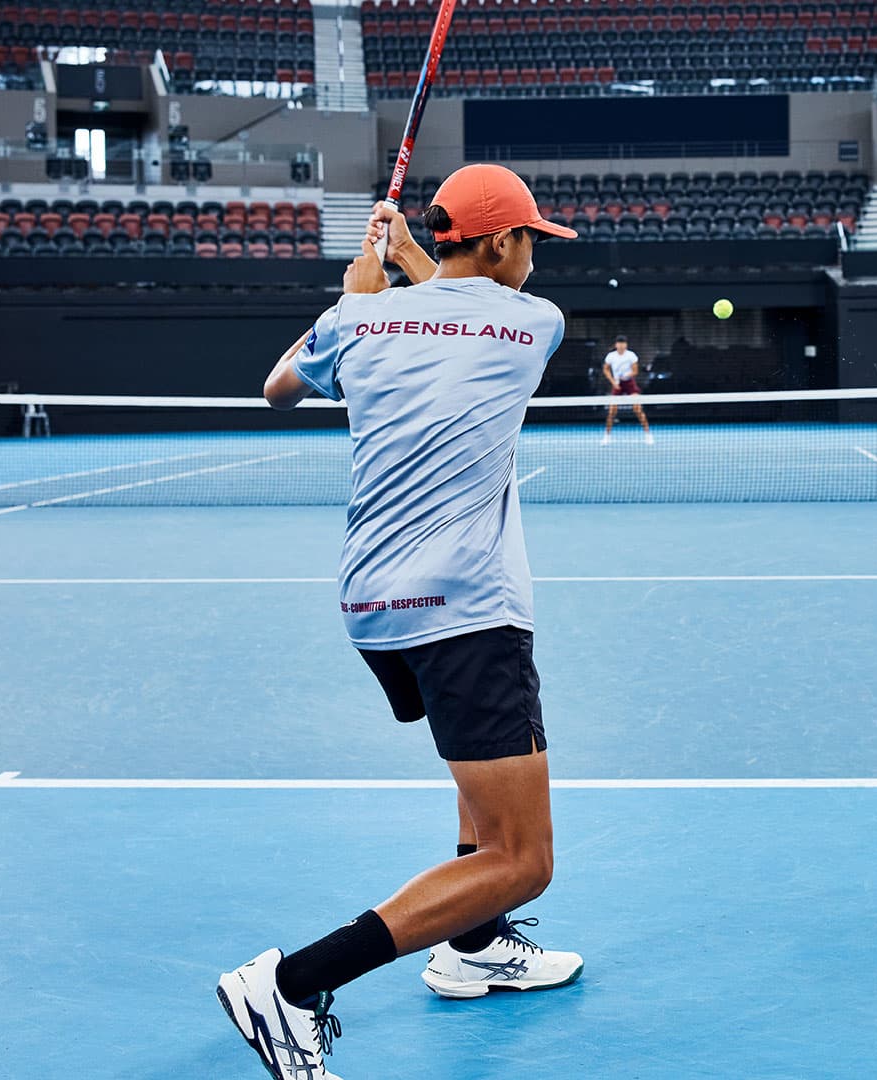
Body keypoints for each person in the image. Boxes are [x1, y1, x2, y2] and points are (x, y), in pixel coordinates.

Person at [216, 164, 584, 1080]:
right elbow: (459, 306)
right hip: (470, 610)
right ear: (499, 241)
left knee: (477, 781)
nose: (535, 253)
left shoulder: (356, 320)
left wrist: (363, 280)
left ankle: (473, 947)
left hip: (374, 609)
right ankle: (292, 984)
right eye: (529, 237)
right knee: (523, 856)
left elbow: (277, 388)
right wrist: (408, 258)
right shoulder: (532, 323)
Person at [601, 334, 653, 445]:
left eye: (623, 344)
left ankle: (648, 435)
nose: (621, 346)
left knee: (637, 409)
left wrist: (626, 375)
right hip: (617, 384)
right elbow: (605, 370)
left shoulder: (631, 355)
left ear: (626, 345)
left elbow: (635, 371)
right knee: (611, 411)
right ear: (616, 345)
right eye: (619, 344)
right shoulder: (611, 356)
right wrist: (613, 382)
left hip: (629, 383)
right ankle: (607, 436)